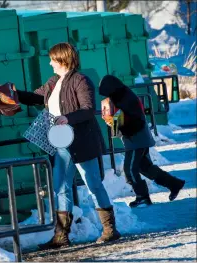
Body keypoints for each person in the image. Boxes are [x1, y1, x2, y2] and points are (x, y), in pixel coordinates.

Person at [17, 43, 121, 249]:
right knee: (60, 188)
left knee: (93, 184)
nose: (50, 63)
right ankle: (61, 236)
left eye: (52, 59)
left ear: (63, 59)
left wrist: (67, 117)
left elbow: (88, 109)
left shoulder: (81, 80)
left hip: (82, 143)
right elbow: (36, 97)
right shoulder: (54, 81)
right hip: (61, 144)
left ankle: (110, 229)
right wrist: (14, 93)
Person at [99, 75, 185, 208]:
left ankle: (142, 197)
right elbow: (124, 117)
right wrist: (114, 122)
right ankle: (174, 184)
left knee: (129, 169)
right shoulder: (123, 96)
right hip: (136, 138)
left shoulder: (125, 99)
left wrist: (117, 124)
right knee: (145, 168)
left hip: (136, 139)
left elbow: (133, 119)